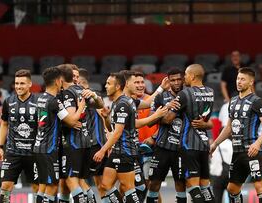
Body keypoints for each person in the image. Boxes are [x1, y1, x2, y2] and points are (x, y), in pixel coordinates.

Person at [93, 72, 168, 203]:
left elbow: (117, 132)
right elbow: (113, 127)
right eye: (136, 82)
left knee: (129, 188)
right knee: (105, 185)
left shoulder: (124, 103)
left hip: (125, 151)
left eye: (108, 84)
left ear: (118, 86)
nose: (105, 86)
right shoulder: (122, 101)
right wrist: (106, 118)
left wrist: (103, 150)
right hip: (118, 150)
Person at [210, 67, 262, 203]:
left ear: (251, 82)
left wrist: (257, 143)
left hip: (252, 151)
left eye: (243, 79)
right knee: (232, 188)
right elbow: (228, 127)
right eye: (238, 78)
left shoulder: (257, 101)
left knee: (259, 186)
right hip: (237, 152)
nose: (239, 81)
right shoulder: (232, 101)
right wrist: (215, 143)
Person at [162, 64, 215, 203]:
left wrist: (164, 110)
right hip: (204, 144)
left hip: (188, 144)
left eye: (185, 74)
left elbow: (167, 120)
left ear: (192, 76)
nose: (184, 77)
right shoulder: (210, 92)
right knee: (205, 186)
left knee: (192, 185)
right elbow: (207, 119)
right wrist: (206, 124)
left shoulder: (184, 94)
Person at [34, 67, 85, 203]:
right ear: (58, 81)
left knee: (43, 186)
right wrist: (81, 106)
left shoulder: (40, 98)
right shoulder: (54, 102)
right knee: (52, 187)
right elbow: (71, 120)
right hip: (49, 149)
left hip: (39, 146)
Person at [57, 64, 104, 203]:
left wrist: (69, 121)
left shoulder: (78, 92)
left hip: (74, 143)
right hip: (79, 142)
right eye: (74, 76)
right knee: (67, 182)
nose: (76, 79)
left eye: (77, 76)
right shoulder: (75, 92)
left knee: (72, 180)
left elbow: (73, 118)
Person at [144, 68, 186, 203]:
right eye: (173, 80)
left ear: (183, 79)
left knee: (180, 184)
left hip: (181, 148)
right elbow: (150, 121)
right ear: (168, 81)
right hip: (162, 147)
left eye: (179, 79)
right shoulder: (161, 97)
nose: (176, 83)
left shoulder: (189, 95)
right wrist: (167, 108)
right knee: (153, 184)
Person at [0, 69, 39, 203]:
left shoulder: (39, 101)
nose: (19, 86)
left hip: (33, 152)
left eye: (22, 83)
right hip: (12, 151)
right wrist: (0, 146)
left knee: (37, 187)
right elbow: (4, 124)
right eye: (16, 83)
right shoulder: (8, 101)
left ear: (30, 84)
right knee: (5, 187)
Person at [78, 68, 107, 203]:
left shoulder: (93, 96)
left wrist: (106, 146)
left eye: (78, 82)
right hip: (81, 145)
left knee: (102, 185)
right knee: (77, 179)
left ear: (85, 84)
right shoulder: (71, 97)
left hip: (96, 145)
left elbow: (103, 113)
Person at [209, 139, 232, 203]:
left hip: (217, 176)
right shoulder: (231, 144)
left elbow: (211, 159)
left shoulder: (215, 145)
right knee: (232, 199)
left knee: (217, 199)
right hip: (229, 176)